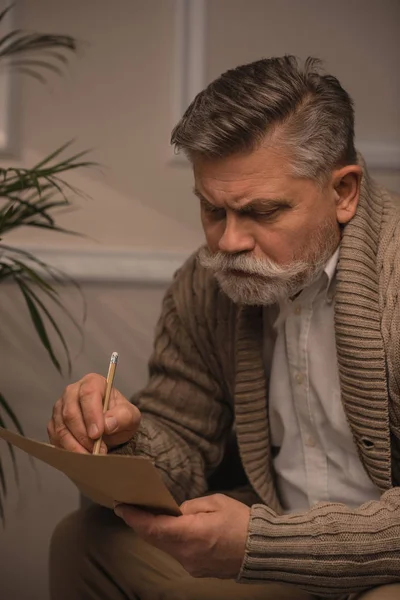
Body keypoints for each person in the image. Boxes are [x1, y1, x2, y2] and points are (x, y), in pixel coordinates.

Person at [48, 56, 400, 600]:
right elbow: (181, 442)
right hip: (276, 544)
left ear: (344, 192)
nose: (229, 243)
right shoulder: (205, 284)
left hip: (382, 567)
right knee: (86, 541)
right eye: (213, 212)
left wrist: (265, 544)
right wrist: (120, 437)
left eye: (261, 212)